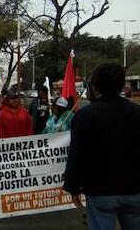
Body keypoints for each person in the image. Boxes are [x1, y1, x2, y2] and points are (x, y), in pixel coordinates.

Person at [63, 63, 140, 230]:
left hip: (100, 192)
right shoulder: (137, 113)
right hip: (134, 189)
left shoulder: (84, 116)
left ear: (95, 87)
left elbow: (76, 154)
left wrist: (72, 186)